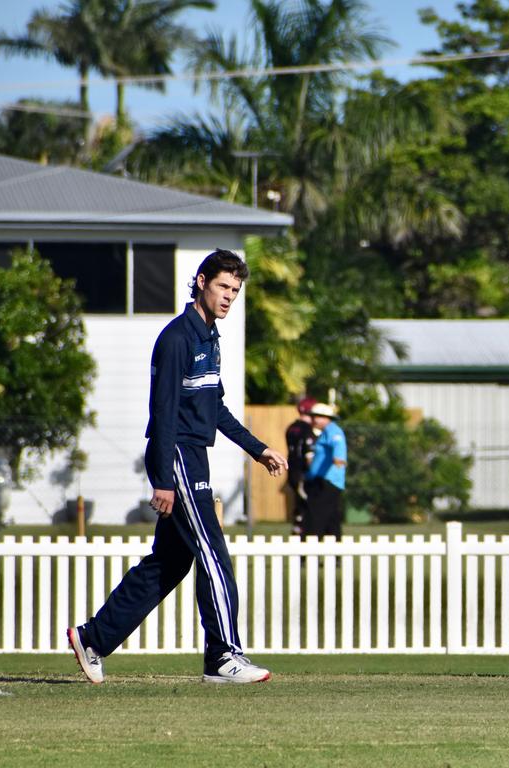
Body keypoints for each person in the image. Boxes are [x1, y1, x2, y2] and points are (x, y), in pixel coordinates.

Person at [67, 249, 289, 685]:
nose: (229, 297)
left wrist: (257, 449)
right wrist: (163, 480)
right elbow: (163, 411)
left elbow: (216, 407)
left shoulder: (210, 337)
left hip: (193, 455)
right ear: (202, 282)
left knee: (169, 563)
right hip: (178, 458)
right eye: (224, 287)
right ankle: (224, 657)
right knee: (213, 556)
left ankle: (93, 637)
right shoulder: (177, 338)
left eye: (236, 291)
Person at [302, 402, 347, 539]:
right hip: (321, 481)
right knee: (331, 520)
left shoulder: (332, 430)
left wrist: (338, 458)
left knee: (316, 517)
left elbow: (338, 445)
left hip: (327, 482)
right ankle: (335, 557)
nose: (315, 419)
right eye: (314, 416)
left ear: (329, 418)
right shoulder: (324, 432)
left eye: (320, 416)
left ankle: (309, 554)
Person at [285, 396, 318, 535]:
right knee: (307, 504)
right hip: (303, 472)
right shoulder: (307, 430)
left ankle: (298, 527)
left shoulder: (291, 428)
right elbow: (308, 454)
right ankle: (304, 533)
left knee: (299, 503)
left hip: (292, 469)